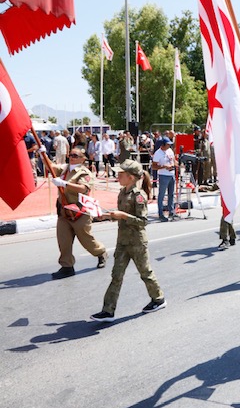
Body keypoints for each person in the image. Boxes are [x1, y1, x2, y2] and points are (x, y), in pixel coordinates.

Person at [90, 160, 166, 322]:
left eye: (121, 174)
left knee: (145, 273)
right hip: (123, 241)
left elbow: (143, 221)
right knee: (116, 276)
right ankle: (108, 311)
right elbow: (120, 216)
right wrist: (106, 216)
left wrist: (123, 216)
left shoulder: (139, 196)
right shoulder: (122, 193)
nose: (117, 176)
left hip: (137, 242)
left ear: (131, 177)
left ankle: (158, 299)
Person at [50, 147, 108, 279]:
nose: (72, 157)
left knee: (86, 240)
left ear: (83, 159)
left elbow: (83, 188)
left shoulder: (84, 172)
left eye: (76, 155)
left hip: (79, 212)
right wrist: (43, 154)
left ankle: (101, 253)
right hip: (64, 211)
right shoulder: (65, 168)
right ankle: (67, 266)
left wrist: (65, 184)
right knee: (63, 240)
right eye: (71, 154)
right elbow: (51, 167)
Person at [152, 137, 176, 222]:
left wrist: (175, 165)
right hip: (163, 175)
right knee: (161, 195)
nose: (169, 146)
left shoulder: (170, 151)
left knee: (171, 194)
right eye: (168, 144)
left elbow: (173, 160)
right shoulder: (158, 153)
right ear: (163, 145)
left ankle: (171, 211)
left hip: (171, 174)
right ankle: (161, 213)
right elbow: (154, 166)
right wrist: (164, 167)